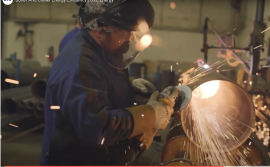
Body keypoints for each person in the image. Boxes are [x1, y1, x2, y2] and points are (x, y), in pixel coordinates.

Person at [40, 0, 177, 165]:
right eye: (125, 32)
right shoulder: (78, 67)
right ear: (99, 30)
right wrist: (151, 115)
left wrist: (132, 90)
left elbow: (100, 88)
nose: (131, 38)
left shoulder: (106, 50)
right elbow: (98, 128)